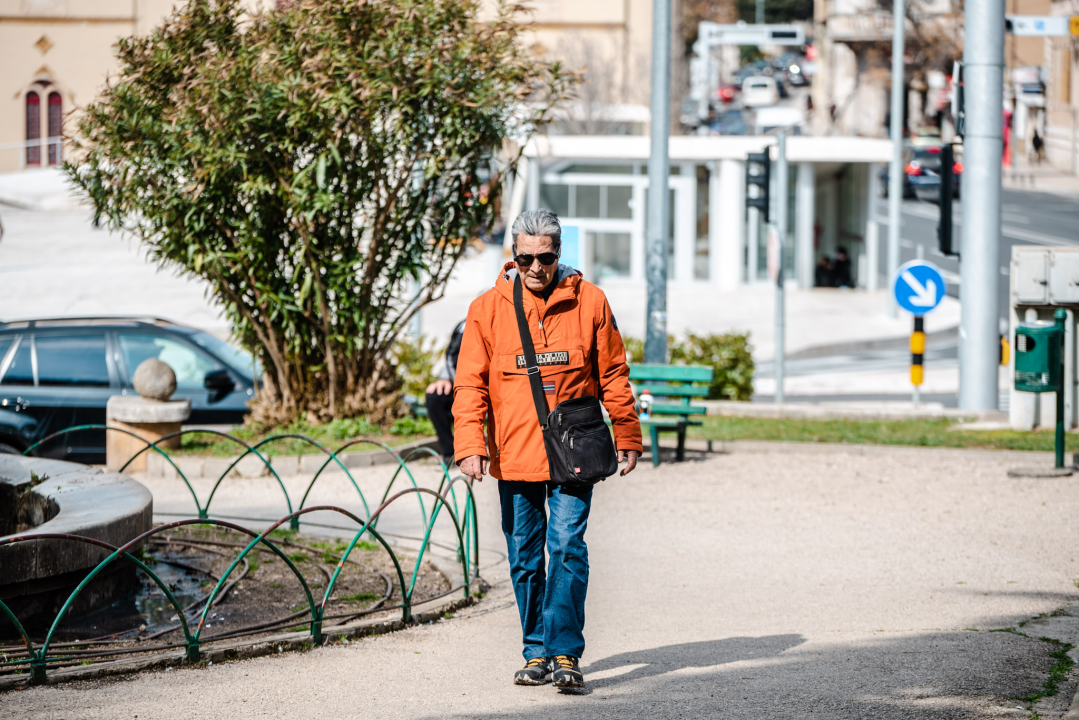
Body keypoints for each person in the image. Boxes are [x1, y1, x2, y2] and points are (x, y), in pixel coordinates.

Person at [452, 208, 642, 689]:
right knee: (526, 556)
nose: (536, 267)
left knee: (567, 547)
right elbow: (469, 386)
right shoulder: (485, 309)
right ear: (512, 255)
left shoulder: (591, 302)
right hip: (514, 453)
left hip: (574, 455)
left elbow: (614, 375)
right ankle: (534, 649)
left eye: (547, 257)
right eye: (526, 257)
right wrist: (470, 445)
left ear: (559, 253)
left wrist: (627, 434)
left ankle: (563, 654)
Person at [424, 320, 465, 465]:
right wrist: (445, 378)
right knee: (435, 397)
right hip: (461, 386)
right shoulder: (462, 326)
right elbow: (452, 358)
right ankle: (450, 453)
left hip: (490, 388)